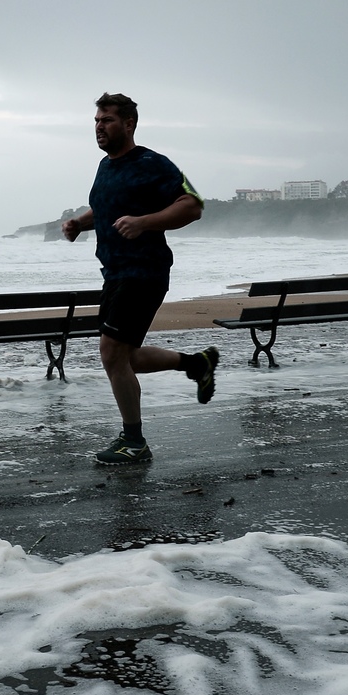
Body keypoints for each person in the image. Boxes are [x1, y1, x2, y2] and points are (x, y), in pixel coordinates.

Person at [62, 92, 219, 465]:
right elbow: (105, 209)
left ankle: (134, 442)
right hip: (115, 273)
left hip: (144, 271)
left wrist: (144, 222)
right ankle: (196, 364)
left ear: (128, 124)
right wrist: (80, 224)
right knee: (124, 357)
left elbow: (192, 206)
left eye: (107, 120)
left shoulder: (152, 163)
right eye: (97, 120)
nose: (99, 127)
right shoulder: (106, 166)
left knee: (111, 354)